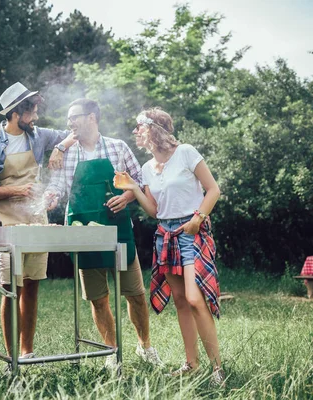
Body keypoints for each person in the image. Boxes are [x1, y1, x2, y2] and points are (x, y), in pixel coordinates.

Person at [44, 98, 163, 374]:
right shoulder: (68, 153)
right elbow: (58, 186)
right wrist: (50, 196)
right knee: (98, 299)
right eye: (69, 118)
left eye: (75, 117)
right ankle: (112, 350)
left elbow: (139, 184)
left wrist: (126, 196)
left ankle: (144, 346)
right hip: (81, 233)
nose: (70, 123)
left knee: (135, 295)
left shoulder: (118, 147)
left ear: (92, 118)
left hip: (118, 230)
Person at [115, 107, 225, 386]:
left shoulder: (186, 152)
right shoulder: (147, 168)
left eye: (140, 126)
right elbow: (154, 210)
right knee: (180, 301)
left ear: (153, 128)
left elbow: (213, 189)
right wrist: (135, 188)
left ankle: (217, 369)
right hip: (165, 233)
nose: (136, 132)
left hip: (192, 230)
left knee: (193, 299)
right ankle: (191, 363)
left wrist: (198, 219)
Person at [0, 82, 75, 362]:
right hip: (7, 221)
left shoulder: (40, 136)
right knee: (10, 288)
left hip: (35, 219)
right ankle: (11, 357)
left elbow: (75, 134)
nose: (36, 116)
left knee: (31, 285)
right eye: (31, 110)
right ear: (16, 113)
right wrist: (15, 190)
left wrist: (61, 149)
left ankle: (27, 352)